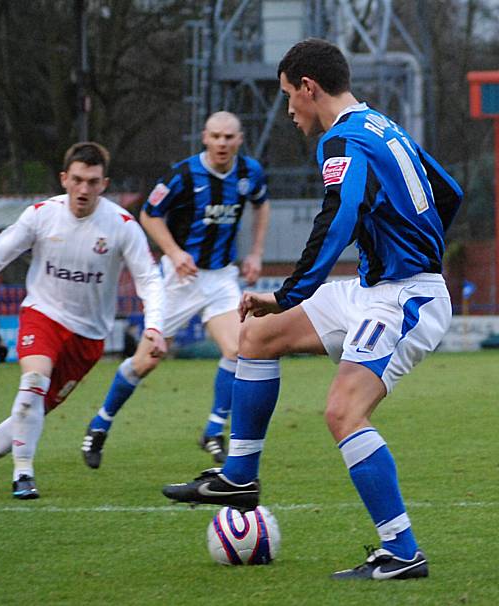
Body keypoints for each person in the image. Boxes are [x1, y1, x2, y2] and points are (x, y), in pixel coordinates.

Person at [162, 39, 462, 581]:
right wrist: (409, 240)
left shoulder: (341, 140)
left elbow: (338, 216)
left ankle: (401, 552)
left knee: (343, 411)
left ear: (308, 87)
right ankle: (239, 476)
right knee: (257, 334)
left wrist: (289, 292)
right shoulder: (381, 126)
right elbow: (450, 191)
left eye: (287, 96)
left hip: (404, 297)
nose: (289, 110)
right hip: (380, 286)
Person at [0, 142, 165, 499]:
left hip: (88, 338)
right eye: (77, 180)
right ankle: (23, 474)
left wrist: (154, 326)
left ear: (104, 184)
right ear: (64, 179)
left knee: (31, 411)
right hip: (43, 315)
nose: (84, 190)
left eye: (92, 182)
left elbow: (149, 279)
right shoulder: (41, 215)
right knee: (33, 380)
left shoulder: (121, 226)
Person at [81, 111, 269, 469]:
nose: (222, 143)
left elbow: (262, 204)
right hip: (178, 280)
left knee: (241, 348)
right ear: (204, 137)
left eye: (229, 137)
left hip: (219, 279)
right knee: (146, 361)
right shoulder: (184, 174)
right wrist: (173, 251)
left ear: (239, 139)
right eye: (216, 136)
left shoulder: (249, 173)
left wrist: (257, 253)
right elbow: (150, 214)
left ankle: (213, 431)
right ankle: (100, 424)